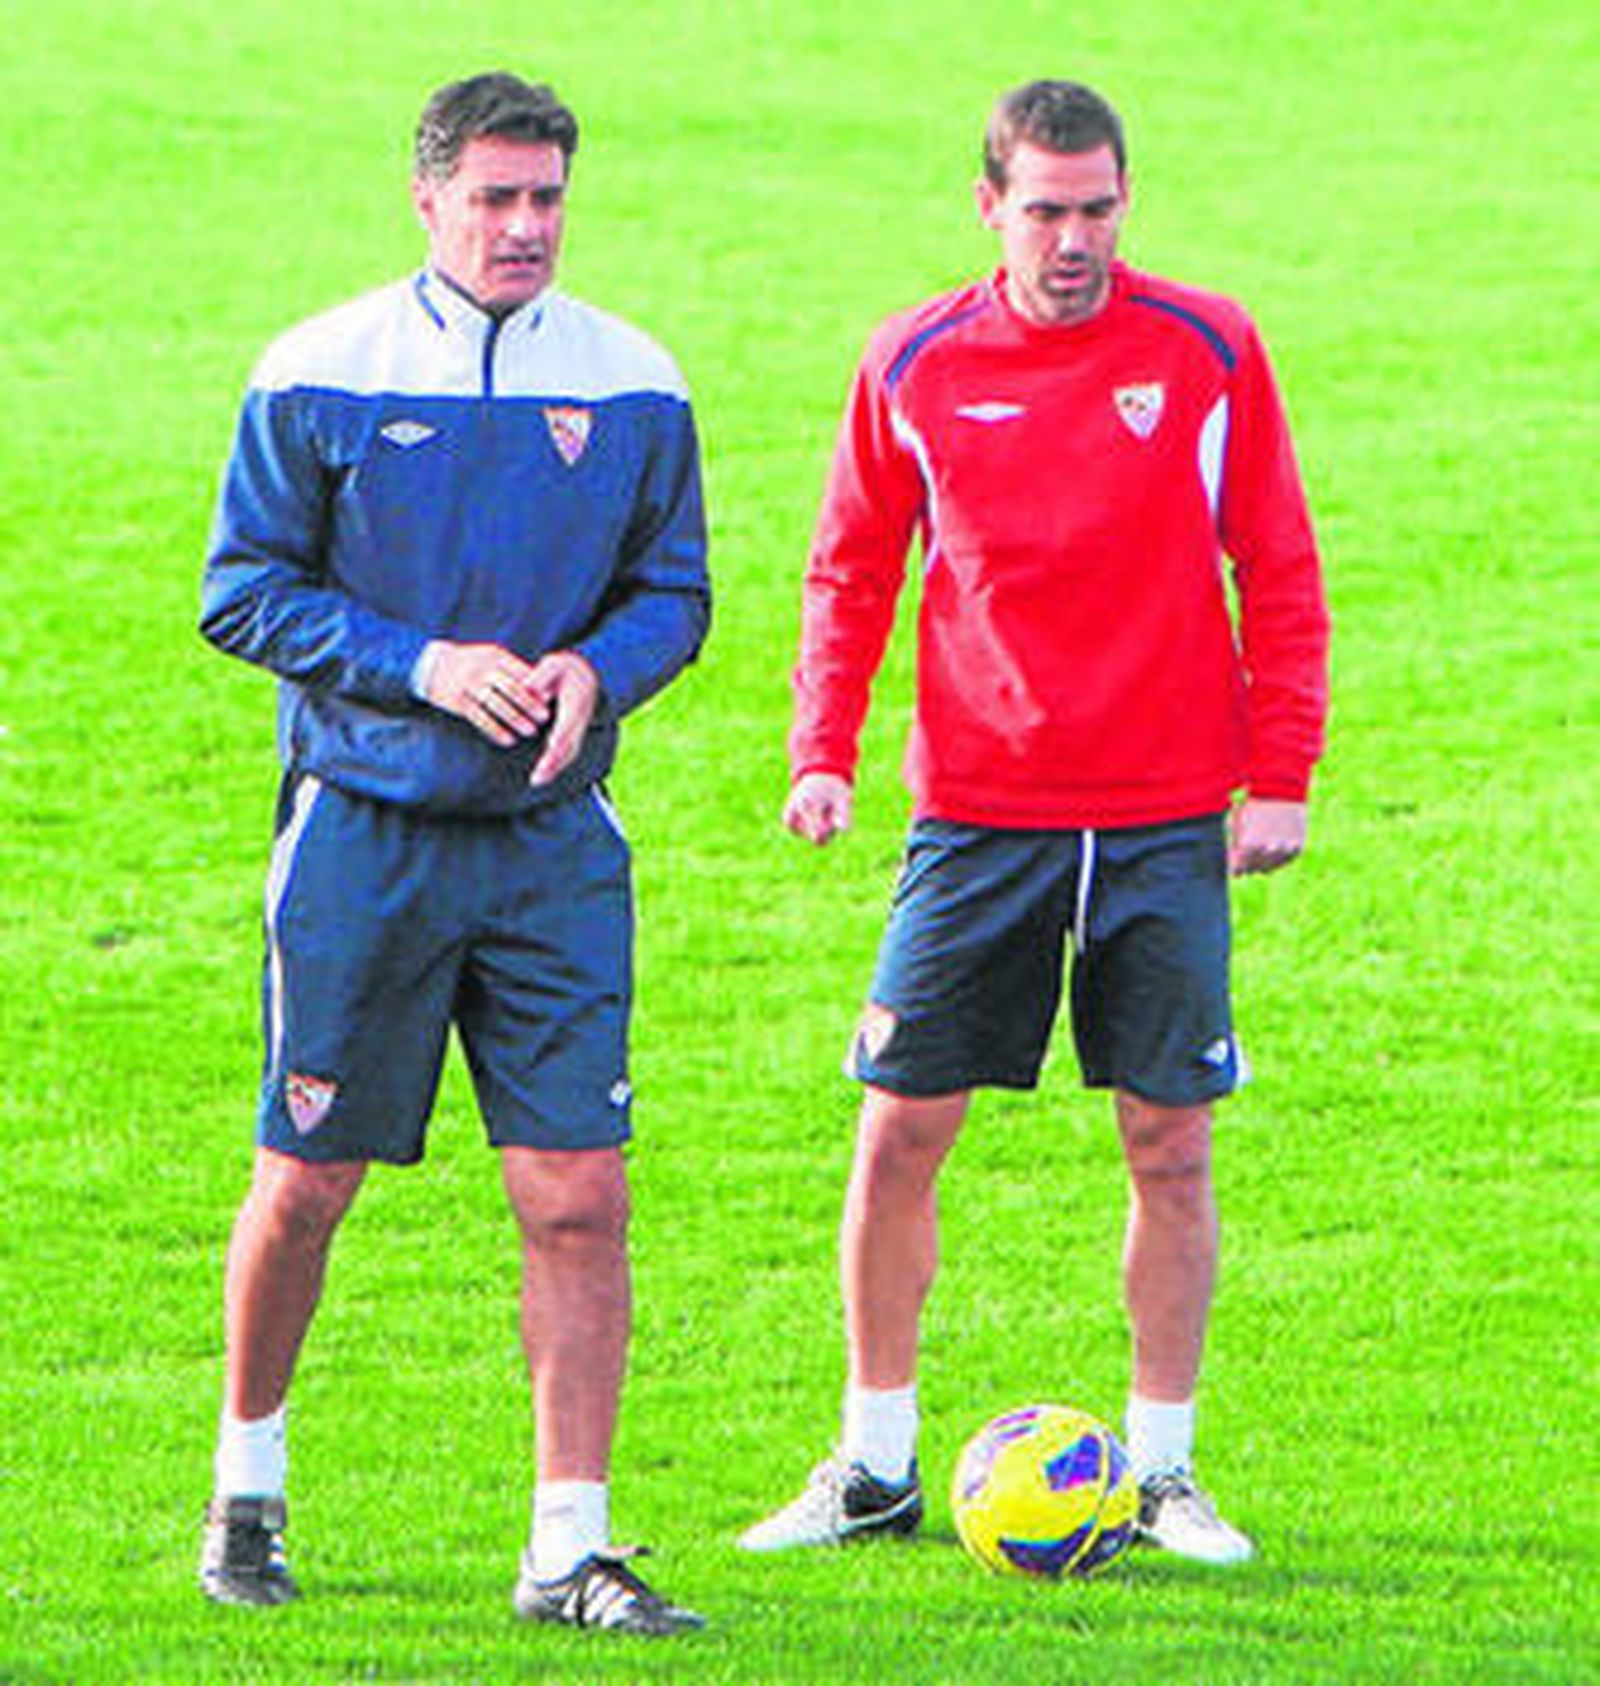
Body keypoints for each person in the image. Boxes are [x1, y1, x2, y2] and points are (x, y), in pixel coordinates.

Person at [739, 79, 1329, 1566]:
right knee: (898, 1130)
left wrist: (1285, 773)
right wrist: (825, 751)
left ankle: (1163, 1469)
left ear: (1127, 202)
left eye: (1099, 208)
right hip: (981, 813)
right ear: (988, 205)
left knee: (1169, 1140)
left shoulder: (1205, 348)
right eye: (1047, 209)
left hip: (1166, 810)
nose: (1075, 240)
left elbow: (1280, 561)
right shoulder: (916, 362)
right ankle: (875, 1462)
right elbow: (849, 568)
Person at [196, 72, 709, 1637]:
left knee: (579, 1192)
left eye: (546, 196)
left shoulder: (633, 382)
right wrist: (425, 666)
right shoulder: (318, 371)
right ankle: (247, 1488)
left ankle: (569, 1546)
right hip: (363, 839)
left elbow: (673, 594)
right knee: (310, 1177)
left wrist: (591, 674)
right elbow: (242, 589)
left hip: (553, 847)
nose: (524, 227)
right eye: (494, 197)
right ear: (425, 199)